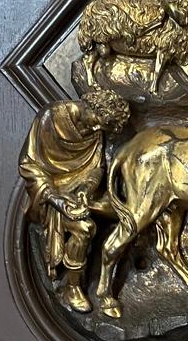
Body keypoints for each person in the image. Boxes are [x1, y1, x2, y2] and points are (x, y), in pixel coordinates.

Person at [18, 87, 129, 312]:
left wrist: (86, 189)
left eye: (102, 127)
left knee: (125, 211)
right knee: (84, 228)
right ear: (91, 105)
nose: (97, 129)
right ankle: (73, 287)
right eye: (97, 121)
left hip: (78, 193)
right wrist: (56, 199)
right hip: (48, 195)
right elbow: (29, 165)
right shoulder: (51, 118)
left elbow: (96, 168)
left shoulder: (95, 128)